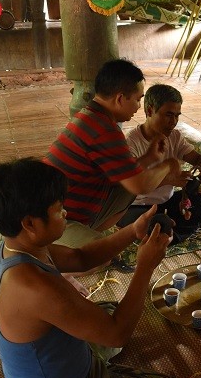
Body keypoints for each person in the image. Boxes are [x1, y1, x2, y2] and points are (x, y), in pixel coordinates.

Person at [0, 157, 181, 378]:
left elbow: (80, 258)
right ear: (30, 223)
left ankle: (7, 351)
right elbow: (117, 334)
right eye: (59, 210)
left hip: (59, 359)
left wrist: (132, 231)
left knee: (107, 310)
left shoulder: (12, 249)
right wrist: (145, 266)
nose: (65, 213)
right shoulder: (36, 287)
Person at [44, 59, 181, 254]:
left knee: (126, 186)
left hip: (68, 209)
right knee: (101, 255)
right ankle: (55, 247)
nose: (138, 107)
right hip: (54, 218)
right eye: (137, 99)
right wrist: (169, 164)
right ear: (119, 98)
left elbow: (129, 174)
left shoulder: (90, 116)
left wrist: (150, 158)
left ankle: (84, 234)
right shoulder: (105, 130)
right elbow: (140, 185)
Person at [118, 84, 201, 243]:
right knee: (158, 224)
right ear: (150, 111)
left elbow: (196, 158)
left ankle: (176, 231)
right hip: (137, 207)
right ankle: (181, 229)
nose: (173, 121)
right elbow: (130, 188)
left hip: (167, 203)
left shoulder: (174, 137)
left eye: (177, 116)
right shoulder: (131, 143)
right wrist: (169, 179)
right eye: (168, 115)